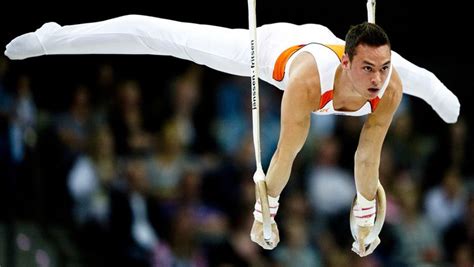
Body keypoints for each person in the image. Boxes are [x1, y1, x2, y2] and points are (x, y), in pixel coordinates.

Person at [4, 14, 460, 256]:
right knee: (161, 34)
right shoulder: (305, 80)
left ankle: (442, 92)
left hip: (332, 47)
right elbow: (285, 154)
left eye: (381, 69)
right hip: (274, 49)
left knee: (415, 80)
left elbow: (368, 159)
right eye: (368, 68)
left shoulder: (385, 80)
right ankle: (55, 37)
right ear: (346, 64)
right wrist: (267, 212)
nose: (378, 78)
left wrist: (364, 219)